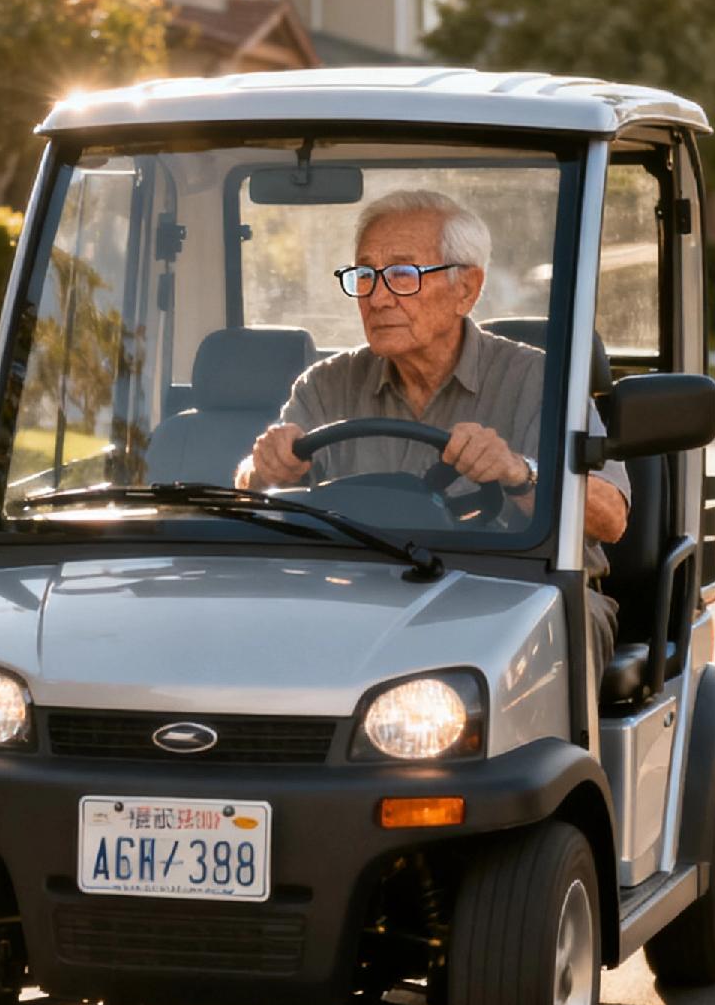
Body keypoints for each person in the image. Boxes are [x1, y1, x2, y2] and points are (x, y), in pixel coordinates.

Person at [235, 187, 630, 683]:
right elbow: (252, 493)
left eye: (401, 274)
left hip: (514, 594)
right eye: (364, 276)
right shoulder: (325, 384)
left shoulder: (542, 381)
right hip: (355, 593)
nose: (376, 297)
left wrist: (520, 474)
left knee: (553, 632)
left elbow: (610, 519)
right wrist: (262, 470)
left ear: (466, 289)